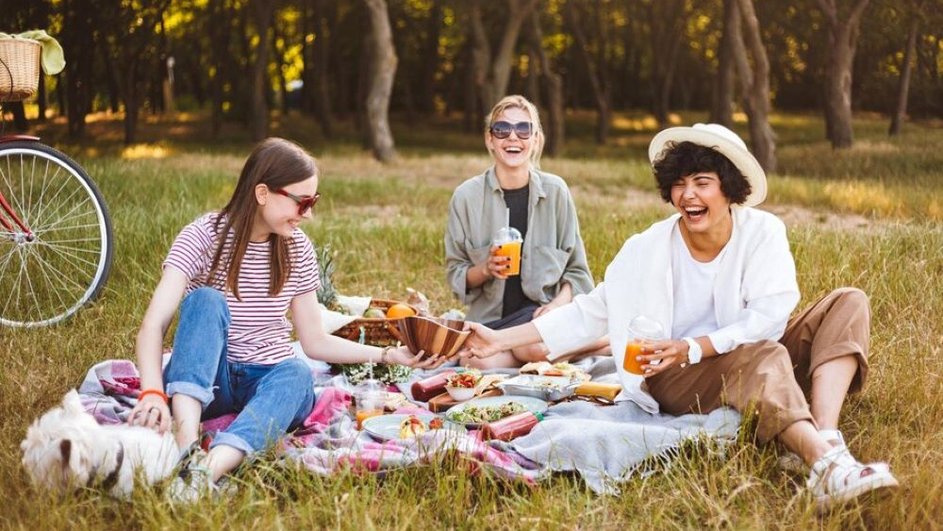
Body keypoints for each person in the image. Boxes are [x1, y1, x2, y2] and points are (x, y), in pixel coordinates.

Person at [460, 123, 898, 511]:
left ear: (729, 188)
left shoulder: (763, 233)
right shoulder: (646, 248)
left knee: (849, 300)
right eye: (679, 183)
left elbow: (771, 315)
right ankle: (825, 463)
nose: (688, 195)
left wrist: (696, 346)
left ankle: (826, 440)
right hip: (672, 375)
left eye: (703, 182)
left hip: (743, 356)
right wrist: (499, 341)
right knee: (760, 355)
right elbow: (589, 313)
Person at [128, 138, 442, 501]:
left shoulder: (297, 248)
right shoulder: (203, 235)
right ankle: (185, 449)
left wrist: (388, 356)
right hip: (206, 381)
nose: (308, 213)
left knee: (297, 374)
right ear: (263, 193)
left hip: (266, 379)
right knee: (204, 300)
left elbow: (314, 341)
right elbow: (153, 325)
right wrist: (151, 392)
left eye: (315, 202)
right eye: (302, 202)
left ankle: (206, 471)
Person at [445, 94, 603, 368]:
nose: (513, 137)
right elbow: (456, 275)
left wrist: (555, 308)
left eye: (523, 129)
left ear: (536, 139)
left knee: (534, 345)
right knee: (476, 363)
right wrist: (486, 269)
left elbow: (577, 272)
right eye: (502, 129)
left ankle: (603, 344)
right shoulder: (466, 197)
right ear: (489, 140)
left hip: (542, 318)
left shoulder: (556, 192)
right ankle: (584, 346)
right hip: (493, 322)